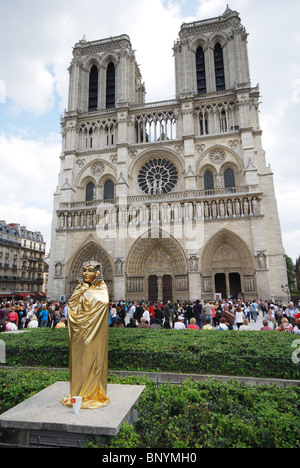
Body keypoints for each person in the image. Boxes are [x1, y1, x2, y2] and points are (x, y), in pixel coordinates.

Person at [61, 260, 110, 410]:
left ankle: (92, 392)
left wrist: (86, 293)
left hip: (94, 334)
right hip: (79, 333)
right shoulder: (79, 288)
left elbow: (103, 302)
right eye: (84, 270)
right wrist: (81, 290)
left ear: (98, 273)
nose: (86, 273)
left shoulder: (102, 288)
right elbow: (71, 306)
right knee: (79, 361)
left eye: (90, 271)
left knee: (93, 361)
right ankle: (78, 392)